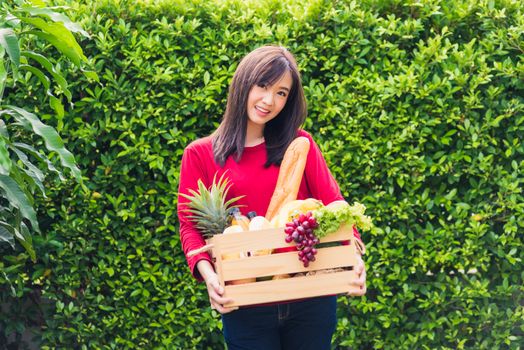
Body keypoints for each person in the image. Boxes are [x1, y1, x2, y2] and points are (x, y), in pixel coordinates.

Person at [177, 45, 366, 349]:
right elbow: (190, 227)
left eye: (281, 93)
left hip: (310, 295)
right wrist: (210, 277)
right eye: (263, 86)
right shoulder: (200, 155)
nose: (269, 101)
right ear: (243, 84)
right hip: (245, 299)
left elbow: (334, 202)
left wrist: (355, 258)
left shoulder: (300, 144)